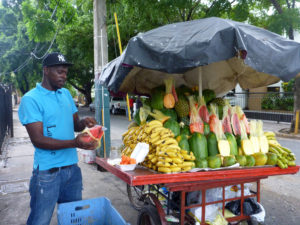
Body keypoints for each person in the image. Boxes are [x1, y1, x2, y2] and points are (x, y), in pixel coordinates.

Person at [18, 52, 98, 225]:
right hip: (48, 173)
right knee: (40, 220)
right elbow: (38, 140)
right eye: (60, 72)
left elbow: (75, 124)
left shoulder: (66, 94)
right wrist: (74, 143)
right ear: (46, 70)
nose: (64, 76)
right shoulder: (31, 99)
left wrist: (84, 122)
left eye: (66, 73)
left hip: (72, 170)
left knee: (72, 219)